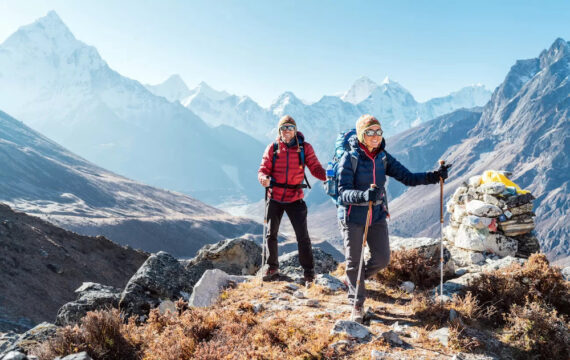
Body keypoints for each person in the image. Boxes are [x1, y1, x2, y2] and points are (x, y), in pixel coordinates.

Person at [337, 114, 450, 322]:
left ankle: (353, 280)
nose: (375, 136)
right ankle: (357, 304)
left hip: (377, 215)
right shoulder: (349, 158)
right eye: (370, 132)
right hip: (353, 217)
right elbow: (342, 192)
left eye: (378, 132)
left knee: (382, 259)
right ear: (362, 135)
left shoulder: (383, 157)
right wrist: (363, 196)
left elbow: (407, 177)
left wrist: (434, 176)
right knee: (355, 262)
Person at [258, 115, 326, 283]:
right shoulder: (272, 148)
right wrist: (263, 178)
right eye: (283, 128)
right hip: (274, 196)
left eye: (290, 128)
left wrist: (328, 176)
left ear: (295, 131)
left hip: (295, 198)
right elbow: (263, 168)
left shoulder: (304, 148)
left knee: (302, 236)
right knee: (270, 234)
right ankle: (272, 266)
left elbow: (315, 167)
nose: (286, 131)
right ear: (279, 131)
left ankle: (309, 271)